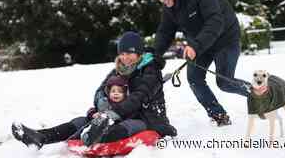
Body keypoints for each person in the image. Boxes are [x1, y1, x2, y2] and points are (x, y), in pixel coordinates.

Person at [11, 31, 176, 149]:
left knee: (115, 129)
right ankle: (41, 137)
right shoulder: (119, 70)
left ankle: (93, 134)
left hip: (146, 120)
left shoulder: (151, 71)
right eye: (122, 53)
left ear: (139, 54)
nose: (126, 57)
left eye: (130, 53)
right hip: (117, 115)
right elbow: (100, 92)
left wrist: (110, 115)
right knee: (80, 121)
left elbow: (138, 98)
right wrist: (101, 109)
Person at [150, 0, 251, 126]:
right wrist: (153, 53)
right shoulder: (170, 6)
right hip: (199, 45)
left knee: (224, 82)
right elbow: (165, 32)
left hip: (225, 40)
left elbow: (215, 22)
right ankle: (219, 116)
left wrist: (196, 45)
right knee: (194, 79)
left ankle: (260, 93)